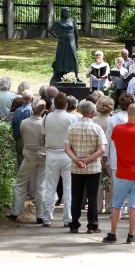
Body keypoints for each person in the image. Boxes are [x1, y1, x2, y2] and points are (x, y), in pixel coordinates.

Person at [104, 104, 135, 244]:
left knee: (117, 204)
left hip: (122, 171)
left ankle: (113, 233)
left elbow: (114, 140)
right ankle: (131, 235)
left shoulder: (118, 129)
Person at [64, 100, 107, 234]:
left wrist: (77, 160)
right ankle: (92, 225)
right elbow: (102, 149)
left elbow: (67, 148)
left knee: (76, 196)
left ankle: (74, 224)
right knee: (92, 197)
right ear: (93, 112)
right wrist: (87, 160)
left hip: (76, 168)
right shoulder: (97, 128)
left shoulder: (72, 128)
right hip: (93, 167)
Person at [41, 92, 78, 227]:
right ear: (66, 104)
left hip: (51, 154)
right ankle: (67, 219)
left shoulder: (47, 117)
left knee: (50, 186)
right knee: (68, 187)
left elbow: (44, 133)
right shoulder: (71, 118)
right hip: (67, 154)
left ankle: (47, 218)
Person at [8, 100, 47, 222]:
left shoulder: (24, 123)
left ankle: (15, 211)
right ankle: (40, 215)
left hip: (29, 156)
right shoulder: (44, 124)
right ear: (43, 110)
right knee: (41, 185)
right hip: (43, 156)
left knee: (20, 182)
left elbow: (22, 136)